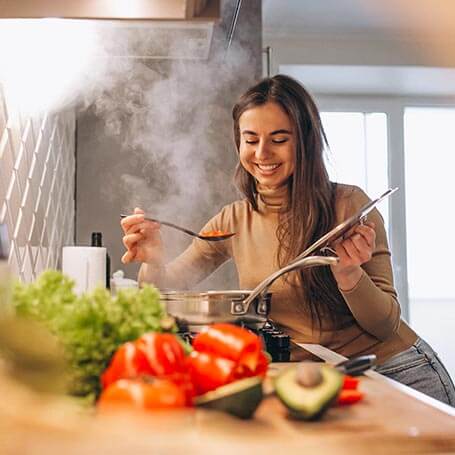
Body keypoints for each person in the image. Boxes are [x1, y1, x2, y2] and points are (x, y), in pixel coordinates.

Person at [120, 74, 455, 406]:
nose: (262, 153)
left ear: (305, 142)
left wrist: (350, 274)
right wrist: (153, 259)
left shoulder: (348, 206)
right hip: (321, 380)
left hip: (396, 373)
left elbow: (385, 326)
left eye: (279, 139)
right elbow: (163, 290)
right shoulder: (233, 219)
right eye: (250, 140)